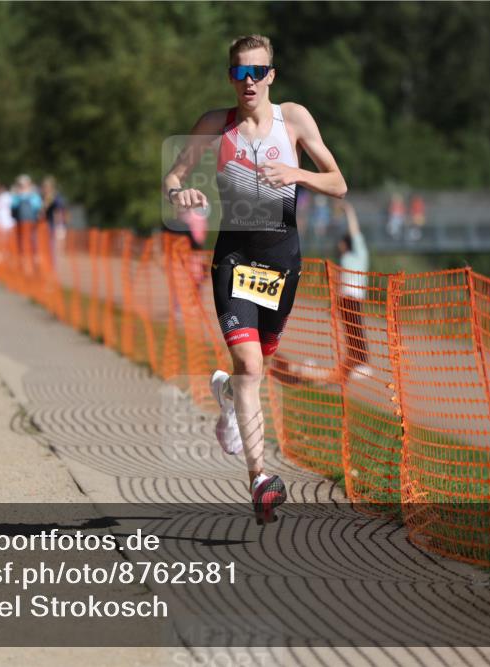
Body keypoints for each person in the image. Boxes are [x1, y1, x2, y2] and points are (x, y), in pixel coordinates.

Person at [163, 34, 347, 524]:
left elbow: (339, 183)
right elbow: (174, 175)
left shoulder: (295, 120)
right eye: (240, 73)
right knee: (249, 364)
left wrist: (298, 174)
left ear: (271, 74)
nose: (249, 82)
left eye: (257, 72)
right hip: (235, 258)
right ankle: (260, 478)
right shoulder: (214, 125)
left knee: (253, 369)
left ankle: (226, 396)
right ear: (231, 77)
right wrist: (180, 193)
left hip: (283, 263)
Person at [336, 201, 371, 381]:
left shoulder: (359, 254)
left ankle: (363, 363)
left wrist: (349, 211)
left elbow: (355, 233)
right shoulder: (345, 258)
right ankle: (354, 362)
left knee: (356, 331)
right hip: (344, 299)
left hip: (354, 297)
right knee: (349, 333)